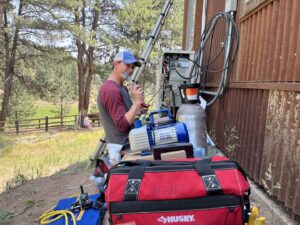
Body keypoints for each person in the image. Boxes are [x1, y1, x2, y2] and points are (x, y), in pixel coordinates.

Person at [97, 50, 149, 164]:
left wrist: (139, 109)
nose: (130, 70)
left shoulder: (121, 88)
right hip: (122, 150)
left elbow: (126, 116)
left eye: (132, 67)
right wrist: (136, 102)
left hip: (130, 145)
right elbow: (122, 125)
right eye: (127, 65)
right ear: (116, 63)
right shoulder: (111, 90)